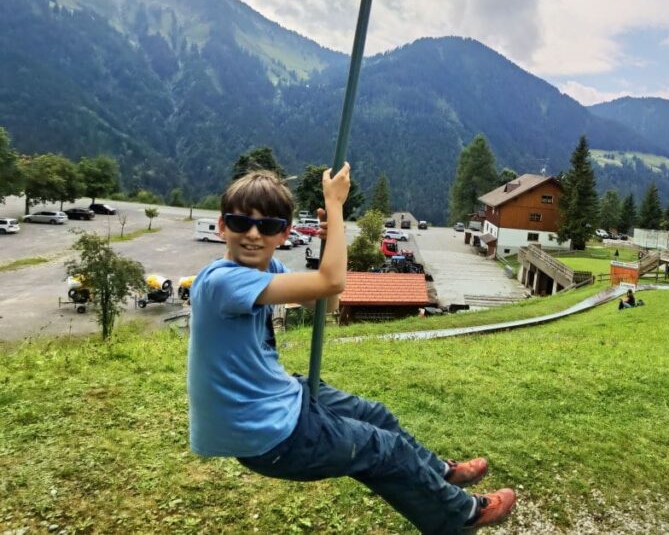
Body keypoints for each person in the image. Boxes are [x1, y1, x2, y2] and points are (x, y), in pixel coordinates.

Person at [187, 167, 515, 533]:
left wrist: (331, 242)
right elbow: (332, 280)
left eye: (266, 227)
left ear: (283, 234)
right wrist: (336, 207)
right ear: (221, 226)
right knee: (382, 448)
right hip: (266, 432)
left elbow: (326, 304)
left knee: (375, 415)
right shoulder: (221, 281)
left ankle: (442, 473)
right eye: (239, 222)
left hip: (280, 397)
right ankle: (463, 515)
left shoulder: (269, 269)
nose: (251, 234)